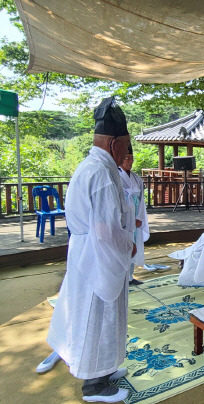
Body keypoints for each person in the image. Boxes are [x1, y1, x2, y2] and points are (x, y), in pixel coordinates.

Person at [42, 97, 135, 402]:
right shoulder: (102, 175)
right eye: (124, 144)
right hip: (99, 255)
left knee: (99, 313)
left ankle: (104, 368)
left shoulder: (94, 165)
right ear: (113, 144)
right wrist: (129, 246)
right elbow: (106, 231)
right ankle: (94, 385)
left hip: (88, 252)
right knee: (98, 315)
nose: (126, 151)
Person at [119, 143, 150, 286]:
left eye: (131, 158)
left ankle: (130, 277)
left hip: (135, 216)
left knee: (133, 246)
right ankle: (122, 278)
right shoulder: (116, 176)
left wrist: (139, 217)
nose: (130, 162)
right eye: (126, 158)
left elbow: (142, 200)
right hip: (123, 219)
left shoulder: (137, 178)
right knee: (123, 247)